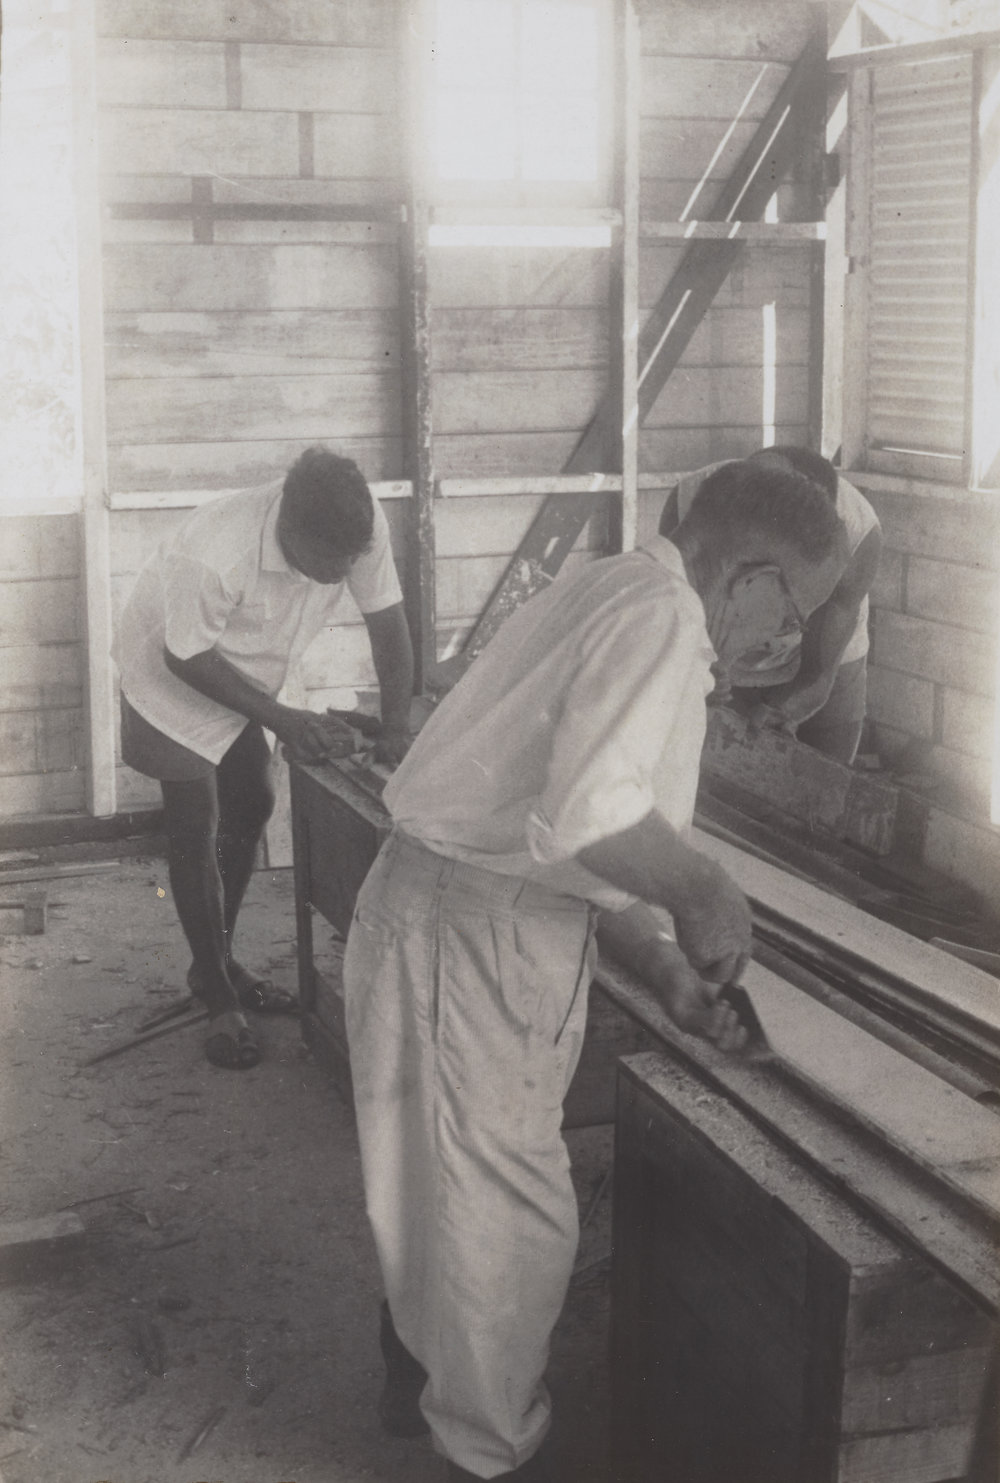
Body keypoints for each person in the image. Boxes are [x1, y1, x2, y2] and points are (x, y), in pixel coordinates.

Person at [342, 462, 847, 1481]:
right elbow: (592, 812)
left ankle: (426, 1380)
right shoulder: (660, 615)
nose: (785, 641)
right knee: (503, 1223)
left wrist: (657, 961)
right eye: (791, 608)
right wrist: (704, 892)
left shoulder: (615, 584)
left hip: (454, 912)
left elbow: (556, 831)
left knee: (443, 1186)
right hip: (470, 936)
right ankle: (492, 1457)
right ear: (747, 575)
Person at [114, 446, 413, 1071]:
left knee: (254, 800)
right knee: (196, 823)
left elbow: (388, 624)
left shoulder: (356, 528)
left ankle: (212, 960)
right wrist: (282, 718)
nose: (341, 576)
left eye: (349, 563)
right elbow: (184, 656)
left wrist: (395, 728)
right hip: (172, 671)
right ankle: (219, 994)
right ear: (290, 531)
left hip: (241, 671)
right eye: (328, 566)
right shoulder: (217, 549)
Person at [659, 446, 881, 764]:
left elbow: (817, 675)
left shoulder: (858, 533)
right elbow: (682, 611)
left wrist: (786, 709)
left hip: (816, 657)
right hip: (726, 649)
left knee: (824, 787)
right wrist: (706, 670)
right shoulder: (691, 499)